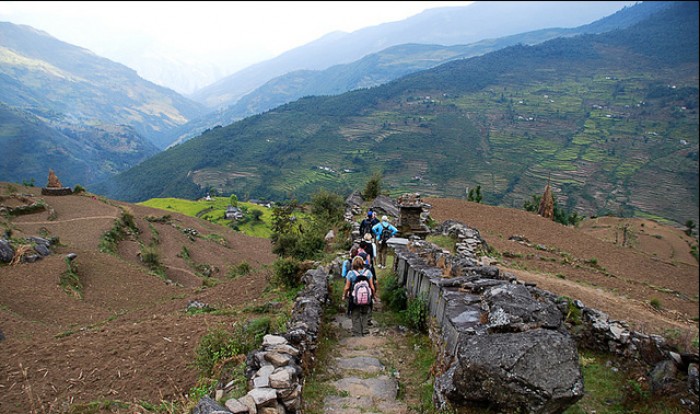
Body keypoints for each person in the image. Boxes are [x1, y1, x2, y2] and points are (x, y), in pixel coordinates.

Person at [343, 256, 375, 336]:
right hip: (366, 297)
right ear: (362, 263)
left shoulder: (350, 273)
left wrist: (344, 295)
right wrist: (373, 296)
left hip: (354, 298)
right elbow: (372, 287)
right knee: (365, 313)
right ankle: (365, 331)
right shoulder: (368, 272)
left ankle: (357, 332)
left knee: (355, 314)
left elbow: (347, 287)